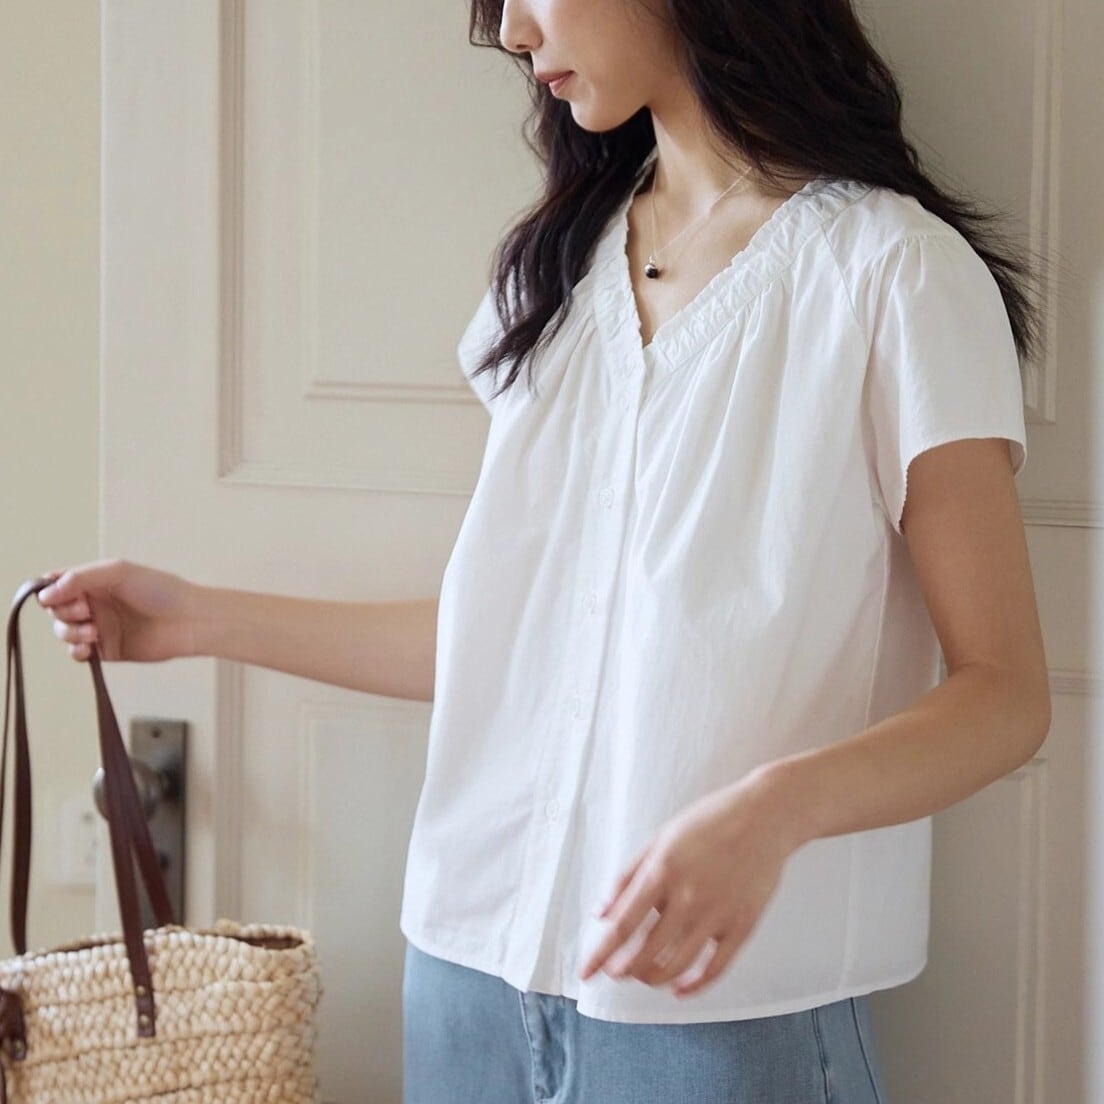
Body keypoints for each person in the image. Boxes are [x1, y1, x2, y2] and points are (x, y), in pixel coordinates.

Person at [38, 0, 1052, 1100]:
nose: (512, 32)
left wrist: (772, 812)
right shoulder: (553, 271)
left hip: (723, 1015)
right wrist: (193, 619)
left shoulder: (894, 274)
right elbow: (511, 642)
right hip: (466, 977)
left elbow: (1004, 695)